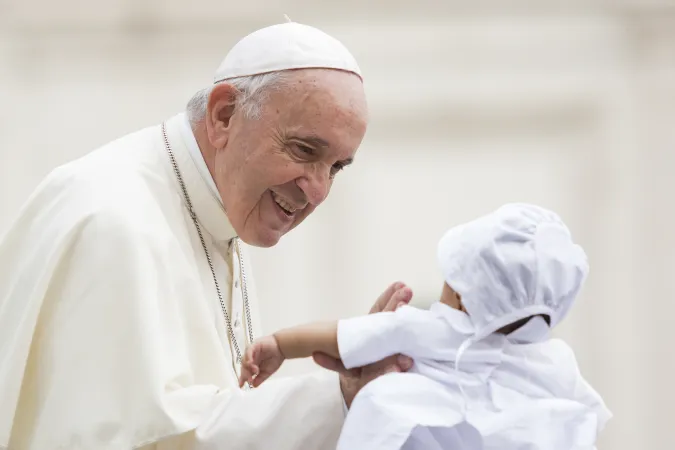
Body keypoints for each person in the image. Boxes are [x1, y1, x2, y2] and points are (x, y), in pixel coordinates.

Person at [0, 20, 415, 450]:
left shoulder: (217, 215)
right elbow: (141, 439)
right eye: (304, 150)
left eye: (336, 168)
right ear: (224, 116)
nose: (318, 190)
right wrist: (341, 396)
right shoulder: (112, 221)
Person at [239, 203, 613, 449]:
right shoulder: (554, 358)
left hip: (433, 434)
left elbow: (345, 335)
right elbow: (582, 407)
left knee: (380, 402)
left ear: (465, 298)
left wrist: (281, 344)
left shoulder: (438, 329)